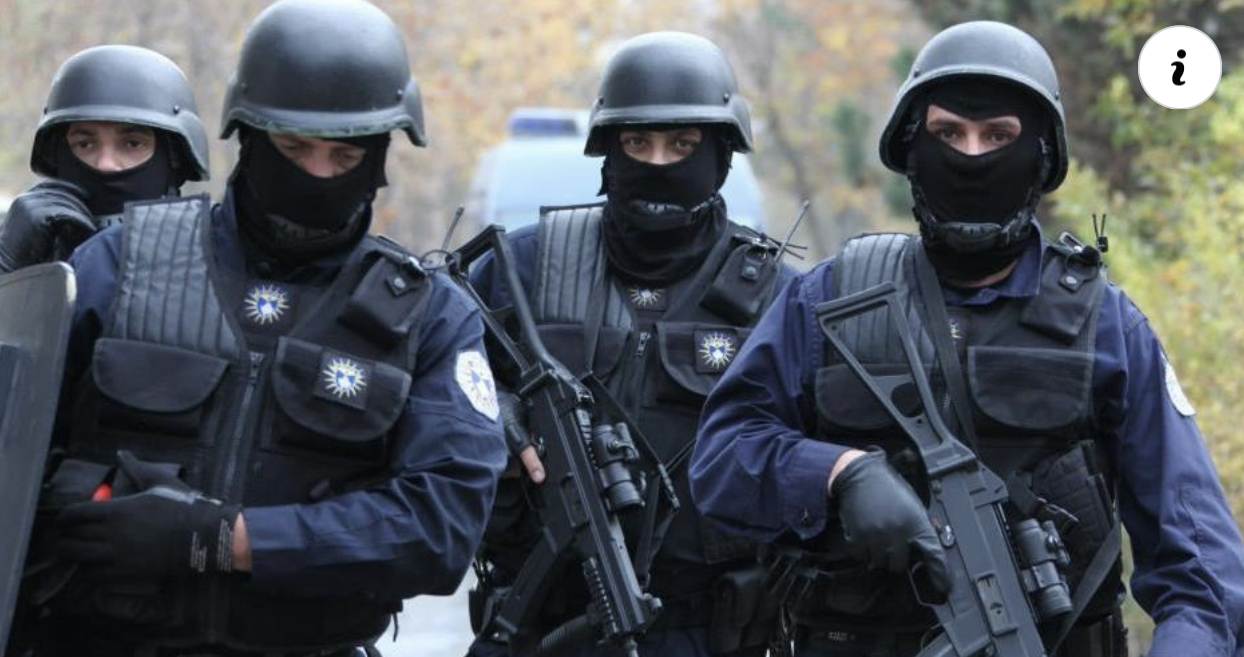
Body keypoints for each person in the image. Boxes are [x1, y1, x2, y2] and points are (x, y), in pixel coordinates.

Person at [690, 20, 1244, 657]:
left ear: (1041, 155)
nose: (972, 156)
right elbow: (721, 459)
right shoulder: (830, 299)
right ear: (911, 149)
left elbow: (1201, 569)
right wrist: (838, 473)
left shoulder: (1106, 326)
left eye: (998, 135)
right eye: (948, 133)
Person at [17, 0, 507, 654]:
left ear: (381, 155)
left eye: (343, 155)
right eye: (292, 147)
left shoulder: (429, 313)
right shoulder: (118, 262)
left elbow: (441, 527)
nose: (316, 174)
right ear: (246, 135)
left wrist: (221, 540)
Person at [467, 31, 790, 657]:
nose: (658, 164)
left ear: (722, 155)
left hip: (711, 627)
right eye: (637, 143)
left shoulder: (778, 295)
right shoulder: (523, 269)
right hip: (539, 619)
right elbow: (436, 390)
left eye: (683, 145)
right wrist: (489, 414)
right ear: (607, 150)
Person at [0, 45, 209, 273]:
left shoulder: (213, 254)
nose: (105, 164)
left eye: (132, 144)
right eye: (85, 144)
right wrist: (8, 264)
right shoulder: (35, 245)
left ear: (174, 157)